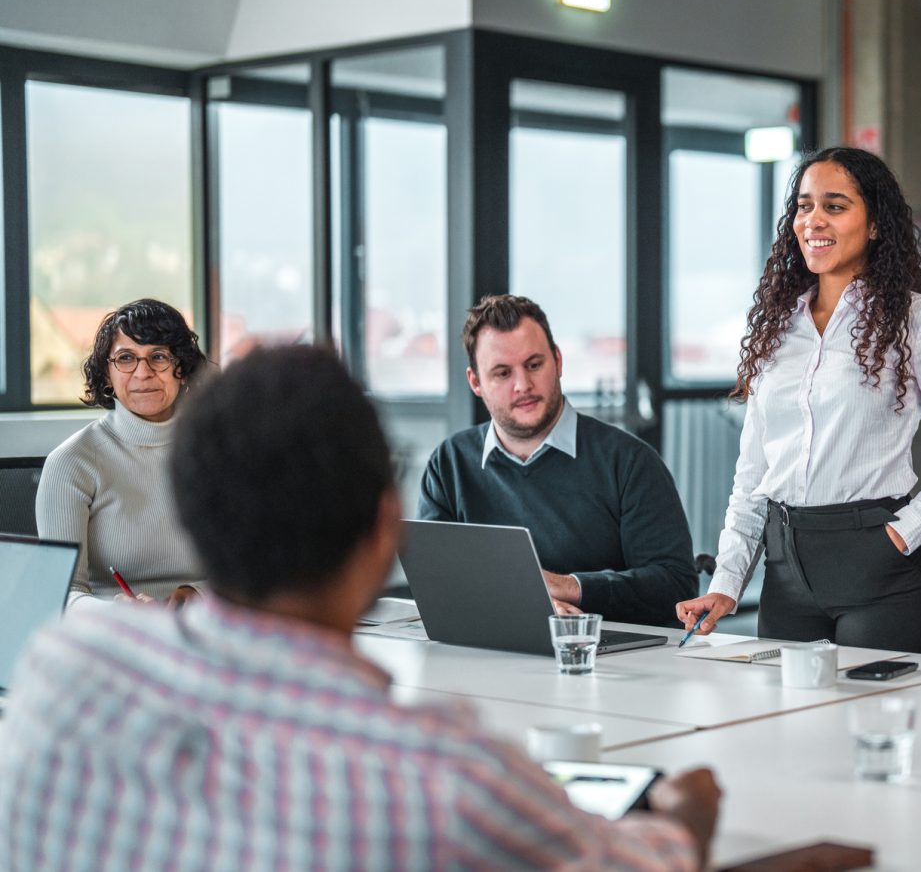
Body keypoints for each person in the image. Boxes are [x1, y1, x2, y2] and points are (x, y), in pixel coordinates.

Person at [0, 345, 721, 870]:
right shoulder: (441, 777)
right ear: (385, 531)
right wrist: (685, 819)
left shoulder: (62, 671)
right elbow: (639, 865)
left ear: (191, 511)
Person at [676, 147, 921, 654]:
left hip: (882, 571)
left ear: (875, 225)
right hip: (787, 574)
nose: (813, 221)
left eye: (835, 205)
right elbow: (754, 473)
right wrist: (726, 582)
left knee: (873, 729)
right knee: (789, 729)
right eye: (804, 206)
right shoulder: (776, 328)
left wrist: (904, 533)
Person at [419, 295, 696, 626]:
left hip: (606, 661)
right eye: (502, 373)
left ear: (558, 361)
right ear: (476, 382)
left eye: (534, 365)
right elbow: (437, 583)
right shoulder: (449, 463)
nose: (523, 385)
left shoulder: (630, 462)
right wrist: (532, 602)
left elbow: (675, 587)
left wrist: (569, 587)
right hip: (485, 655)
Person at [35, 298, 208, 609]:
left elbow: (256, 572)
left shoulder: (219, 453)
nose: (143, 373)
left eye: (159, 356)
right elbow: (60, 594)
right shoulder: (72, 463)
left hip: (206, 628)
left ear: (182, 368)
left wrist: (197, 593)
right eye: (126, 358)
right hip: (110, 636)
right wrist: (119, 613)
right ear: (106, 373)